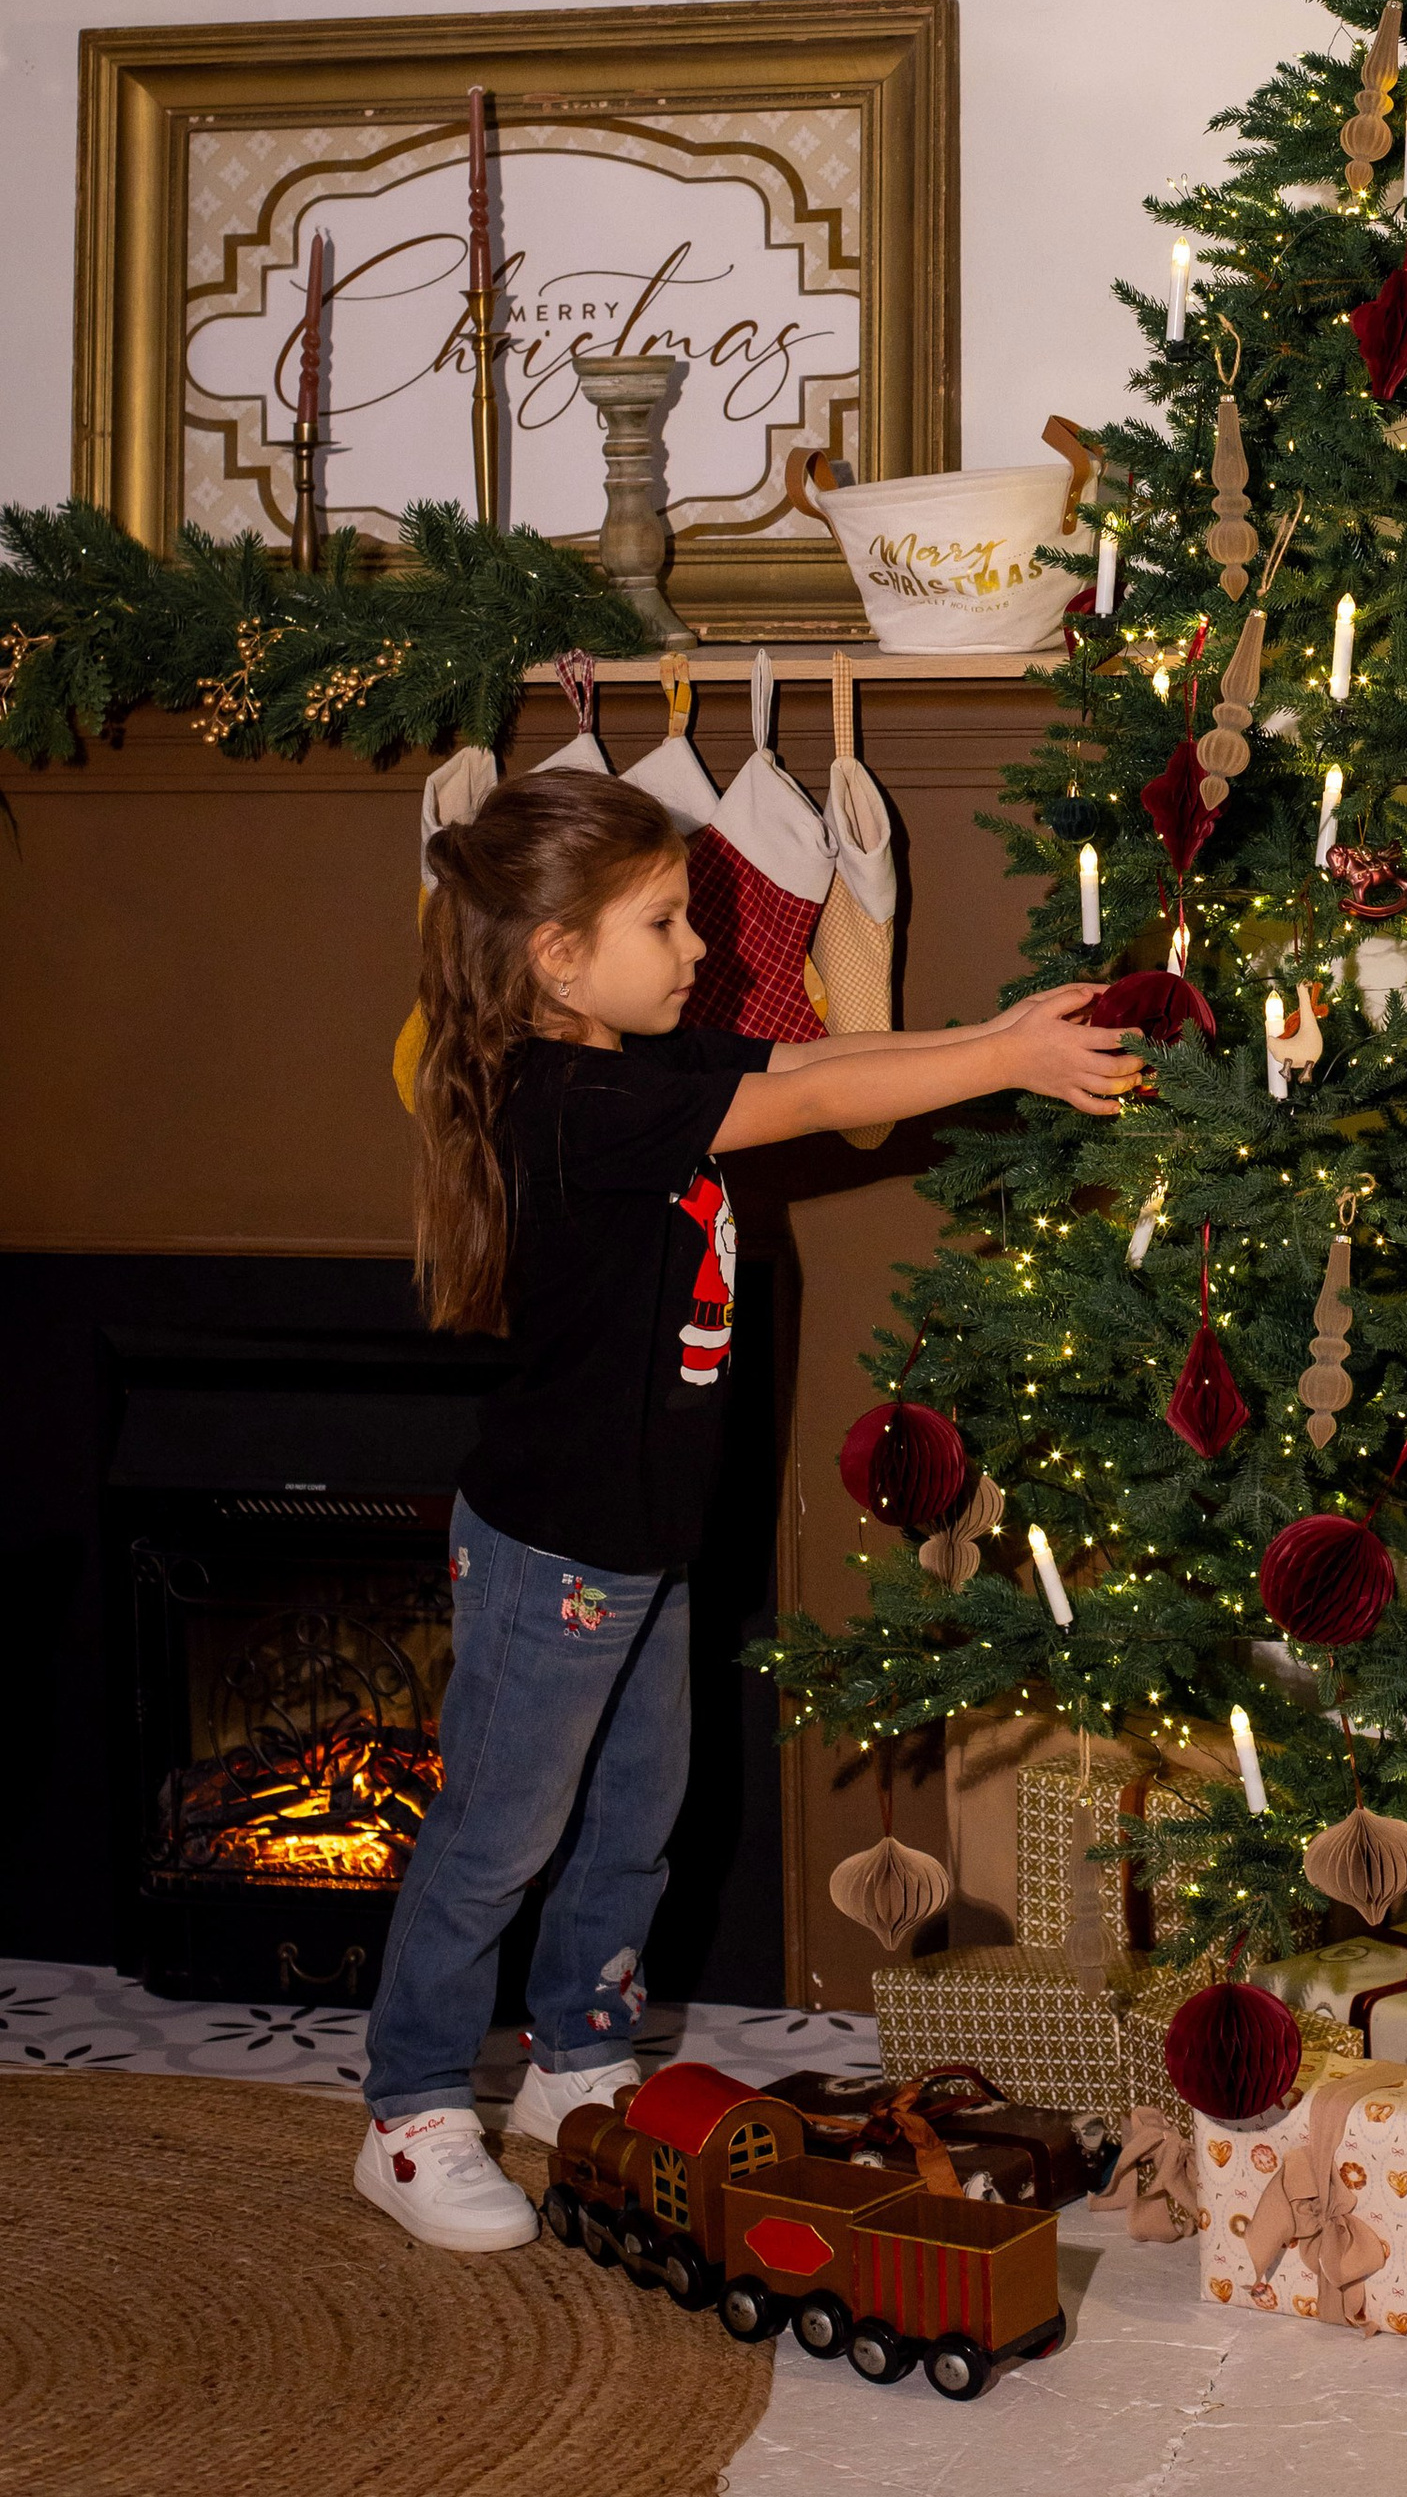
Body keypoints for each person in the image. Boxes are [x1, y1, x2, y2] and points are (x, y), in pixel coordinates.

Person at [356, 769, 1141, 2251]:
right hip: (554, 1546)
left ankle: (576, 2060)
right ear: (559, 959)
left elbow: (815, 1044)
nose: (702, 946)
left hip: (643, 1533)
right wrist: (1013, 1065)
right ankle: (407, 2109)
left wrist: (1004, 1031)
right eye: (666, 922)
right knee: (495, 1837)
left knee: (632, 1824)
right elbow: (824, 1096)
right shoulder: (575, 1099)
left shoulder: (637, 1059)